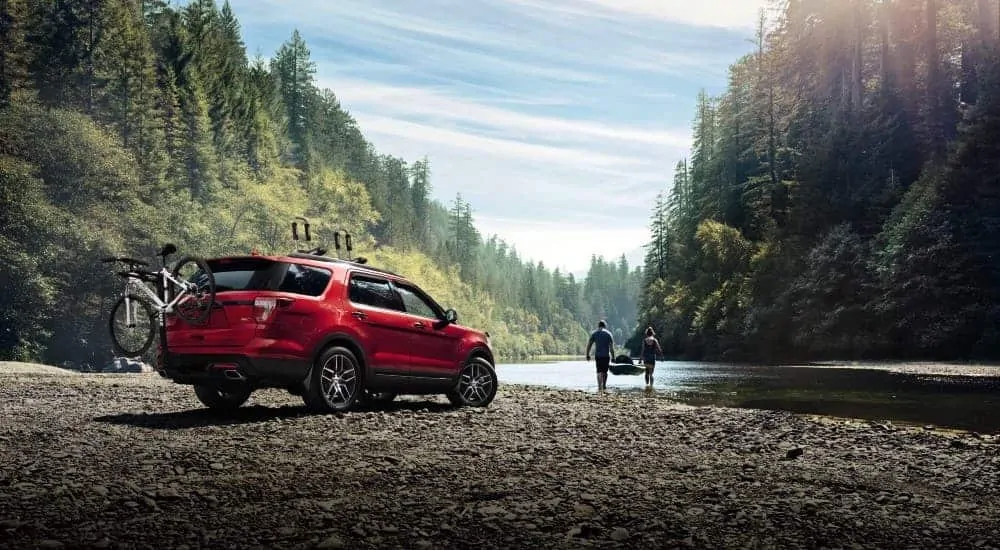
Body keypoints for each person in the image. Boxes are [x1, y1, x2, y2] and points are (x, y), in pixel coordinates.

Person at [585, 320, 615, 392]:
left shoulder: (594, 333)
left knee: (599, 371)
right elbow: (611, 347)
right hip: (606, 356)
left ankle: (599, 386)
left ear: (598, 326)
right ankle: (604, 386)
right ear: (605, 326)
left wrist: (587, 354)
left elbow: (589, 345)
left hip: (598, 356)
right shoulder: (609, 334)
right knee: (605, 371)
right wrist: (613, 357)